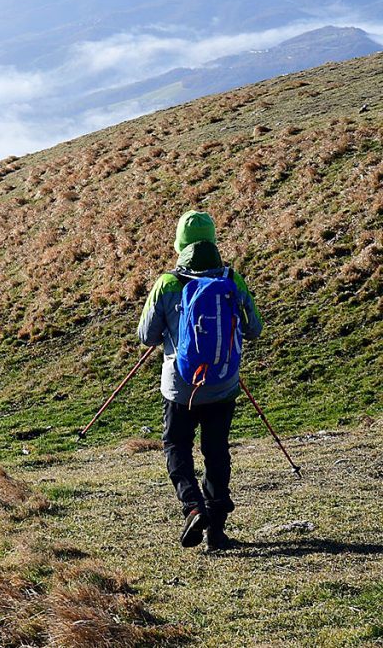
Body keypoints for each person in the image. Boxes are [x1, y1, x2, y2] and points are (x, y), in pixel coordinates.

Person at [137, 211, 263, 552]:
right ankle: (217, 532)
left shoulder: (167, 283)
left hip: (180, 386)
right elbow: (254, 329)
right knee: (216, 452)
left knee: (176, 445)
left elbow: (146, 336)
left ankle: (193, 507)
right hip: (223, 383)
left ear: (180, 244)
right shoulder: (232, 280)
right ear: (213, 239)